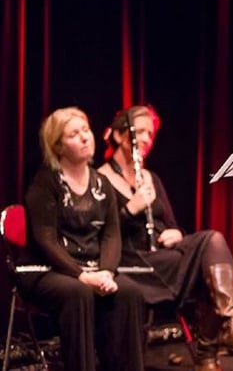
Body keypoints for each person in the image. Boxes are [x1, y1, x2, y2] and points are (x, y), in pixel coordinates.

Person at [96, 105, 233, 371]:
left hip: (163, 257)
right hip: (131, 263)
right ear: (119, 135)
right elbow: (101, 235)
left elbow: (171, 224)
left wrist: (176, 233)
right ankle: (210, 351)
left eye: (150, 134)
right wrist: (130, 209)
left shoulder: (151, 178)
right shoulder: (101, 178)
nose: (147, 139)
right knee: (206, 264)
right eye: (140, 132)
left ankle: (228, 327)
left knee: (212, 241)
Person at [17, 107, 146, 371]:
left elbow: (111, 234)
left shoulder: (102, 183)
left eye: (86, 130)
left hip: (93, 268)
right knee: (79, 293)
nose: (85, 137)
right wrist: (81, 275)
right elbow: (45, 239)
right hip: (48, 269)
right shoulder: (45, 183)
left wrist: (107, 271)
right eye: (74, 134)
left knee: (129, 292)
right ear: (58, 147)